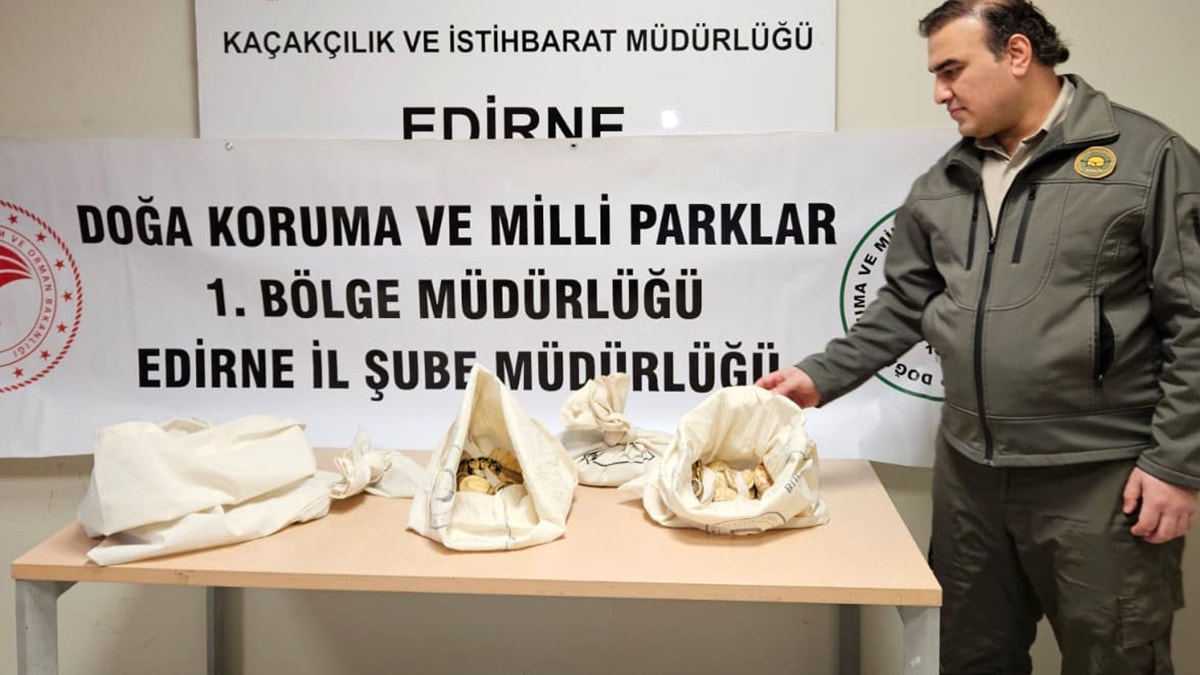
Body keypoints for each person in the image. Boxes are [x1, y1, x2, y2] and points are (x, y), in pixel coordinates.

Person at [755, 1, 1199, 673]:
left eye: (952, 70)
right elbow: (902, 304)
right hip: (971, 482)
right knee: (966, 656)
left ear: (1017, 54)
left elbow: (1193, 320)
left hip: (1099, 479)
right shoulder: (943, 184)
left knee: (1115, 659)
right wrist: (818, 377)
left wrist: (1176, 465)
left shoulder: (1148, 160)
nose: (941, 93)